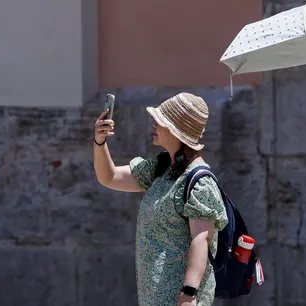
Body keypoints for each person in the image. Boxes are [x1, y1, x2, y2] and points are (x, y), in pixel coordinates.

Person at [93, 92, 228, 306]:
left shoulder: (199, 180)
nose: (154, 123)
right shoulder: (163, 167)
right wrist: (100, 142)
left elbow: (202, 239)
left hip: (179, 300)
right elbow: (109, 177)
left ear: (177, 130)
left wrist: (189, 294)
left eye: (162, 121)